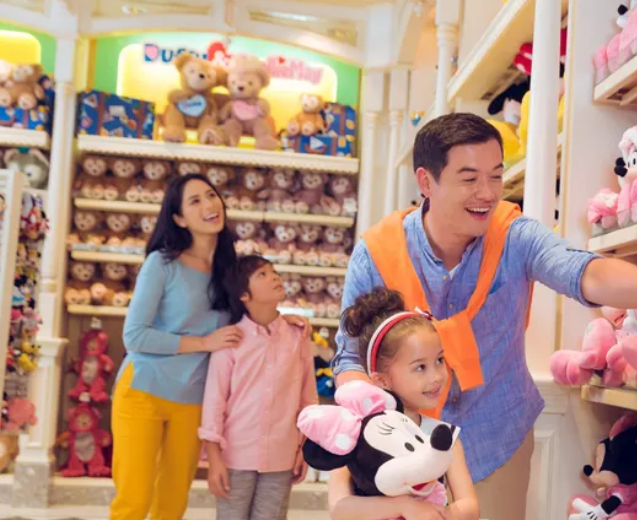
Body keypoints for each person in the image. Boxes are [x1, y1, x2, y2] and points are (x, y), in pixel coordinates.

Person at [333, 113, 637, 520]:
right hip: (401, 450)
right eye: (469, 178)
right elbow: (351, 357)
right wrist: (368, 427)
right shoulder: (379, 252)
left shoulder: (514, 235)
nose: (487, 193)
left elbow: (581, 270)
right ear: (426, 182)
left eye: (496, 176)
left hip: (497, 436)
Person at [109, 175, 306, 520]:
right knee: (134, 501)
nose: (209, 205)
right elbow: (135, 336)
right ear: (179, 218)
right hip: (143, 391)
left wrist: (280, 320)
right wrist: (203, 343)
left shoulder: (229, 271)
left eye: (211, 195)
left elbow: (247, 317)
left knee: (173, 503)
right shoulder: (162, 264)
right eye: (195, 201)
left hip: (194, 401)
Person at [324, 287, 479, 520]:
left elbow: (469, 505)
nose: (436, 376)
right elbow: (339, 507)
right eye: (420, 367)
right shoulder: (356, 433)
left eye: (439, 360)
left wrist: (440, 515)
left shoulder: (442, 436)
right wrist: (404, 507)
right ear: (382, 380)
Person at [199, 255, 317, 520]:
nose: (274, 277)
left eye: (274, 271)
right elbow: (215, 402)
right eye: (262, 274)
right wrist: (214, 459)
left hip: (282, 456)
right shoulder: (231, 340)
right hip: (235, 457)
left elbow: (308, 399)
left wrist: (304, 448)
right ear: (243, 295)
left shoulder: (297, 336)